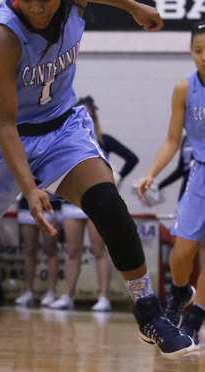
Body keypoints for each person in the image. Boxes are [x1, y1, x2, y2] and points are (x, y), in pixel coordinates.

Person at [0, 0, 195, 358]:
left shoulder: (73, 5)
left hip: (62, 130)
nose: (37, 5)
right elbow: (6, 125)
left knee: (110, 207)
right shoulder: (2, 34)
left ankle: (148, 311)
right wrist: (30, 188)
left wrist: (133, 8)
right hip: (3, 139)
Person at [138, 21, 205, 350]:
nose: (204, 56)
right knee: (181, 254)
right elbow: (173, 140)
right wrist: (151, 173)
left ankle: (194, 318)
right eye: (198, 51)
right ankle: (179, 294)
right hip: (201, 173)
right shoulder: (184, 89)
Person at [51, 96, 140, 312]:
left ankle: (103, 298)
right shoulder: (67, 140)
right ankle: (67, 296)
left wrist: (117, 176)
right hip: (73, 202)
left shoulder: (103, 140)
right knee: (73, 251)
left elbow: (132, 158)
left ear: (94, 118)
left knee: (100, 250)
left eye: (89, 116)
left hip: (95, 202)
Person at [15, 196, 62, 308]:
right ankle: (28, 291)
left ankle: (51, 292)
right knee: (29, 249)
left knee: (50, 248)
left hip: (51, 203)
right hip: (28, 203)